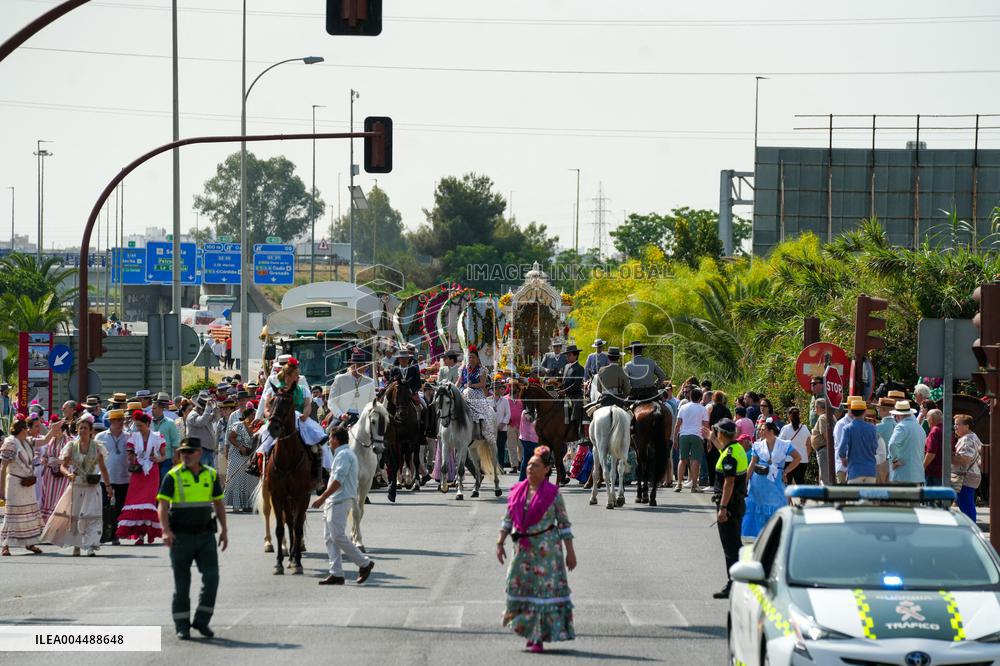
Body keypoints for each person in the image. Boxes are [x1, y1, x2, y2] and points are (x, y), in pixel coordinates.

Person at [497, 445, 576, 653]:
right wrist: (500, 542)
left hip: (547, 553)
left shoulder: (553, 494)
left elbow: (564, 525)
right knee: (524, 592)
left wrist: (571, 552)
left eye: (536, 466)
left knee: (542, 595)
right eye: (529, 465)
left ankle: (538, 636)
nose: (530, 469)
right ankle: (529, 632)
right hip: (522, 552)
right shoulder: (517, 491)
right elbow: (508, 519)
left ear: (547, 470)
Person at [157, 437, 228, 640]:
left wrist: (224, 530)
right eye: (182, 452)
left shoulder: (211, 475)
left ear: (199, 453)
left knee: (212, 579)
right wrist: (165, 530)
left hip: (206, 535)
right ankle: (182, 625)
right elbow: (162, 505)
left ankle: (202, 620)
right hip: (180, 538)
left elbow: (219, 504)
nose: (185, 455)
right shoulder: (173, 476)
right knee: (182, 584)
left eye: (189, 452)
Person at [42, 414, 114, 556]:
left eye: (85, 428)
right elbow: (63, 466)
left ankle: (91, 546)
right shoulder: (71, 446)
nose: (82, 431)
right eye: (80, 428)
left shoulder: (97, 447)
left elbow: (103, 468)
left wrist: (108, 486)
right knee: (75, 516)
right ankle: (77, 545)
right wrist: (67, 474)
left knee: (91, 515)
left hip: (92, 486)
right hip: (76, 486)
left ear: (91, 431)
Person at [311, 427, 375, 586]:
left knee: (337, 536)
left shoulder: (344, 455)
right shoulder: (341, 454)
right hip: (335, 500)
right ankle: (336, 573)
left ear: (336, 439)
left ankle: (364, 563)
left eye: (331, 437)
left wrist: (321, 498)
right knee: (329, 538)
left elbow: (338, 480)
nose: (329, 440)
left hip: (340, 499)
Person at [707, 418, 748, 599]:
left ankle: (734, 584)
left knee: (730, 548)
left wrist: (722, 508)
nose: (716, 434)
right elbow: (724, 452)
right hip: (737, 504)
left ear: (722, 434)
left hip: (729, 505)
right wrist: (712, 439)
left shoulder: (729, 454)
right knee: (736, 546)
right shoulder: (736, 449)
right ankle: (739, 582)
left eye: (717, 432)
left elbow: (728, 483)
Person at [742, 419, 801, 539]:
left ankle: (776, 533)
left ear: (770, 431)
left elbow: (797, 458)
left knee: (777, 503)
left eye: (762, 429)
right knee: (758, 505)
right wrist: (745, 480)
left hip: (775, 481)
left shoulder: (784, 444)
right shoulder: (758, 445)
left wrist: (786, 471)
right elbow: (752, 464)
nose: (759, 431)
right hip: (758, 482)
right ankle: (760, 535)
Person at [116, 411, 165, 545]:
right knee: (135, 501)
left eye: (141, 425)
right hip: (138, 472)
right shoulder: (134, 436)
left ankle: (145, 533)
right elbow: (130, 453)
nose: (139, 428)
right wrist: (131, 457)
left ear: (148, 424)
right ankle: (139, 534)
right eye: (137, 426)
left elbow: (164, 455)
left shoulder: (157, 436)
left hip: (151, 472)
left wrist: (158, 458)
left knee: (148, 502)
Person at [0, 417, 46, 555]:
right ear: (21, 430)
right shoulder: (10, 443)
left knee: (29, 514)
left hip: (27, 483)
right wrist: (1, 488)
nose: (28, 431)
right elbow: (3, 467)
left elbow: (45, 441)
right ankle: (5, 545)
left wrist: (53, 430)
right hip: (15, 483)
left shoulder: (26, 442)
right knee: (12, 514)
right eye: (26, 428)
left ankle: (29, 543)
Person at [96, 409, 129, 544]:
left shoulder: (128, 436)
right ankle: (104, 532)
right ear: (110, 421)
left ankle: (116, 534)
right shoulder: (100, 437)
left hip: (124, 477)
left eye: (122, 420)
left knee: (120, 507)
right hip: (105, 478)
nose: (120, 422)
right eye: (117, 420)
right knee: (104, 506)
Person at [35, 416, 71, 522]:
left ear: (63, 430)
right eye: (54, 429)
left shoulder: (68, 442)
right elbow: (45, 454)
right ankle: (47, 521)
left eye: (58, 429)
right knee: (48, 497)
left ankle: (57, 521)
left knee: (59, 497)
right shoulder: (51, 440)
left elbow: (70, 459)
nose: (55, 432)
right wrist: (44, 460)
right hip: (50, 474)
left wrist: (57, 461)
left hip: (62, 474)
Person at [837, 398, 879, 484]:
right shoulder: (872, 428)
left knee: (854, 497)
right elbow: (875, 447)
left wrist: (843, 459)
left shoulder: (847, 428)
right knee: (868, 497)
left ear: (851, 412)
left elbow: (841, 448)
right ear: (865, 411)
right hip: (870, 471)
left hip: (855, 470)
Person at [223, 407, 257, 513]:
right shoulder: (238, 425)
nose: (254, 416)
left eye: (255, 414)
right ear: (247, 415)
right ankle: (236, 505)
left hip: (249, 455)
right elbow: (230, 437)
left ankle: (248, 504)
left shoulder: (256, 427)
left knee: (250, 479)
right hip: (237, 455)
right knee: (237, 479)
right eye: (252, 414)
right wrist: (240, 447)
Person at [675, 387, 708, 493]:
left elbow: (678, 424)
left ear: (690, 396)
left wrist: (675, 438)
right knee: (695, 460)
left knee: (682, 459)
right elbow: (706, 426)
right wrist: (709, 440)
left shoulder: (683, 407)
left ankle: (679, 484)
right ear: (700, 398)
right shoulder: (703, 409)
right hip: (697, 435)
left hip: (683, 435)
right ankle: (694, 485)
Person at [951, 414, 982, 521]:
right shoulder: (972, 436)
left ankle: (971, 530)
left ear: (967, 426)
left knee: (966, 506)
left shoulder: (967, 439)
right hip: (970, 476)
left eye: (957, 424)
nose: (954, 427)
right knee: (967, 505)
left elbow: (965, 459)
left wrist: (947, 457)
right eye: (954, 425)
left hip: (965, 477)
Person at [887, 400, 926, 484]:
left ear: (898, 415)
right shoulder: (920, 428)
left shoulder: (901, 427)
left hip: (902, 475)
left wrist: (894, 460)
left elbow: (892, 444)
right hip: (918, 475)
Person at [705, 391, 733, 489]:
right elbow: (731, 423)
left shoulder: (711, 408)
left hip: (713, 436)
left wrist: (709, 439)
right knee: (722, 458)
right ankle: (721, 482)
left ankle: (712, 483)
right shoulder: (727, 410)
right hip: (725, 438)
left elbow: (707, 423)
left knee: (711, 460)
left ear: (713, 398)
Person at [186, 393, 219, 468]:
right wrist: (208, 409)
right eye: (204, 408)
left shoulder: (204, 414)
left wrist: (215, 407)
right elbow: (201, 422)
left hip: (208, 450)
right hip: (199, 451)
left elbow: (216, 418)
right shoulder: (192, 415)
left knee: (209, 476)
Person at [778, 407, 810, 485]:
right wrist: (807, 456)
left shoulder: (785, 429)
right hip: (802, 459)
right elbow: (809, 444)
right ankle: (803, 497)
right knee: (800, 482)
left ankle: (788, 497)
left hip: (788, 459)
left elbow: (780, 444)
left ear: (789, 416)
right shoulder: (805, 428)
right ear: (799, 415)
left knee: (786, 483)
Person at [152, 393, 180, 480]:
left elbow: (175, 442)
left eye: (154, 408)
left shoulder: (170, 423)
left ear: (161, 408)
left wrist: (175, 460)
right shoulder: (149, 423)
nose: (152, 410)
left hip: (167, 460)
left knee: (165, 481)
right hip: (152, 460)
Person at [517, 383, 540, 482]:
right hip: (530, 439)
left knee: (526, 459)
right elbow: (532, 422)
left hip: (526, 438)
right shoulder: (527, 412)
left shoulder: (528, 410)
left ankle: (522, 480)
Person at [810, 399, 830, 484]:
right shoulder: (829, 416)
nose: (815, 409)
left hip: (824, 450)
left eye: (816, 407)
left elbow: (826, 435)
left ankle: (825, 496)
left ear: (821, 408)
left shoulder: (822, 417)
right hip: (825, 450)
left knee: (824, 477)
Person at [922, 408, 944, 486]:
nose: (926, 420)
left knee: (929, 497)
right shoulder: (946, 429)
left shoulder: (935, 431)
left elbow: (931, 452)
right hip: (942, 472)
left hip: (932, 472)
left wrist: (923, 467)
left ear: (931, 419)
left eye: (927, 418)